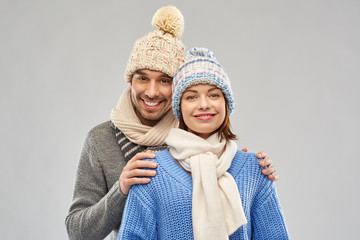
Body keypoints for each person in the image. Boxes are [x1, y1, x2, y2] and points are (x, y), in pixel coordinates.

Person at [66, 6, 278, 240]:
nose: (152, 91)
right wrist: (122, 188)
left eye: (165, 80)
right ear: (130, 80)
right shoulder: (101, 139)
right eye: (142, 78)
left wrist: (239, 164)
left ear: (177, 89)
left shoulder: (196, 128)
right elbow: (77, 232)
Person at [117, 47, 289, 240]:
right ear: (179, 107)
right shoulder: (151, 171)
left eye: (214, 95)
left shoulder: (255, 169)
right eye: (191, 96)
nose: (204, 104)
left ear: (226, 103)